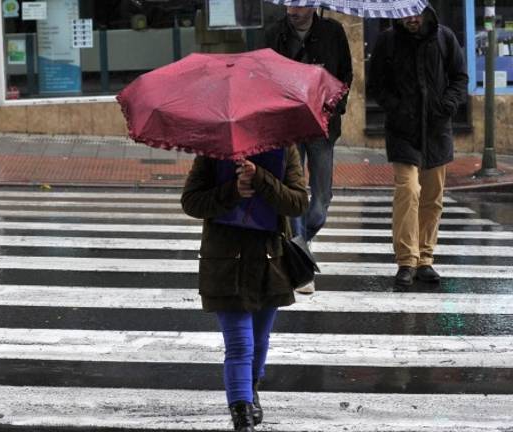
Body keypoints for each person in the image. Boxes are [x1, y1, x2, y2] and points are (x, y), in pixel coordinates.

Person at [181, 146, 308, 431]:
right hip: (225, 264)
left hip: (269, 263)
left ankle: (250, 391)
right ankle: (242, 415)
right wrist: (234, 190)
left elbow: (298, 203)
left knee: (259, 341)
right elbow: (191, 202)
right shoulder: (214, 150)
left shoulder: (285, 147)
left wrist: (260, 178)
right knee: (240, 344)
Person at [367, 5, 468, 286]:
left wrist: (447, 105)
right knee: (409, 190)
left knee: (432, 198)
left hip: (437, 130)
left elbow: (459, 78)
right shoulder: (387, 40)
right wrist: (397, 109)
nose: (411, 19)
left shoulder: (444, 37)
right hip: (403, 130)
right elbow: (376, 85)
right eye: (405, 14)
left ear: (424, 10)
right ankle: (406, 260)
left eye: (415, 13)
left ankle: (425, 258)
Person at [263, 7, 353, 294]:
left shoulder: (333, 32)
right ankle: (301, 266)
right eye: (289, 4)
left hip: (323, 125)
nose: (293, 10)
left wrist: (334, 106)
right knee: (294, 191)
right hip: (288, 125)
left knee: (321, 203)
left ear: (313, 5)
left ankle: (297, 241)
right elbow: (264, 77)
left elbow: (345, 75)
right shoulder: (274, 34)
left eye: (300, 4)